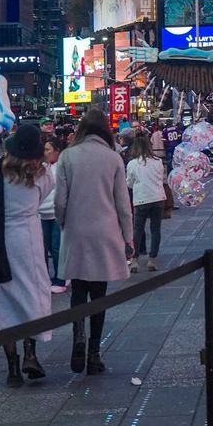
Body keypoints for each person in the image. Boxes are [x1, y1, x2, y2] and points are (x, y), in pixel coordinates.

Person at [0, 122, 53, 388]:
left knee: (2, 303)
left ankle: (12, 366)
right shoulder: (40, 174)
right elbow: (44, 196)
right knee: (33, 296)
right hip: (30, 239)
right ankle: (30, 353)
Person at [54, 108, 132, 375]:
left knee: (77, 288)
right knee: (99, 293)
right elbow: (123, 205)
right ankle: (94, 353)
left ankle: (78, 334)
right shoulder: (113, 158)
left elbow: (60, 201)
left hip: (76, 230)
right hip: (105, 232)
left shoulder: (67, 156)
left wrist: (64, 223)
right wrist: (128, 237)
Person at [126, 133, 166, 272]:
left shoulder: (132, 164)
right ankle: (152, 259)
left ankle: (135, 259)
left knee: (137, 230)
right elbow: (161, 177)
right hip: (158, 197)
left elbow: (129, 183)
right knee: (155, 230)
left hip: (141, 199)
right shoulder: (158, 161)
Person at [40, 137, 65, 294]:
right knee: (46, 247)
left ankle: (60, 278)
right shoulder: (41, 167)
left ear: (57, 151)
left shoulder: (62, 168)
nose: (45, 152)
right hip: (42, 213)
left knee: (56, 247)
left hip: (56, 213)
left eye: (48, 149)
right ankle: (46, 278)